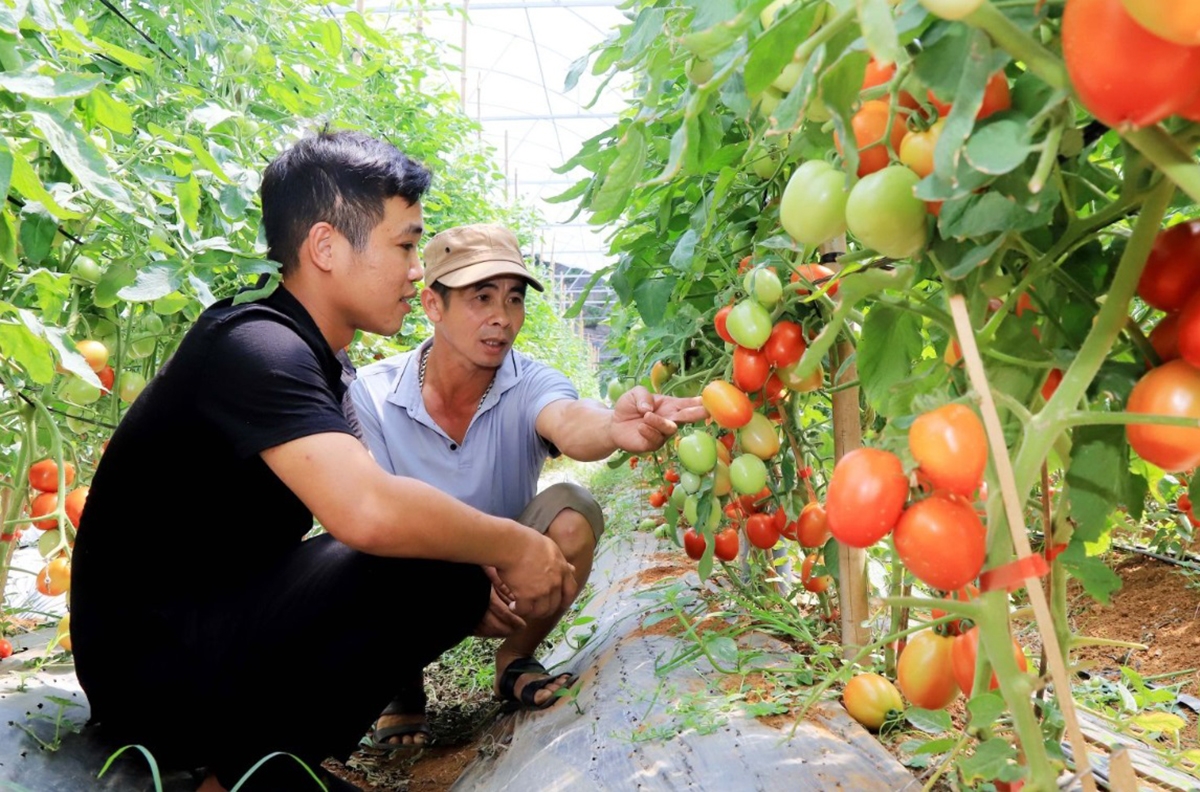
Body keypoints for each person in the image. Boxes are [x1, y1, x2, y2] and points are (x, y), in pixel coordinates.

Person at [69, 131, 579, 792]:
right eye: (405, 245)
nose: (417, 270)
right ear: (326, 247)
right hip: (152, 674)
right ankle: (236, 772)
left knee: (442, 564)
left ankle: (259, 763)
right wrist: (514, 545)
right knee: (435, 567)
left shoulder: (310, 353)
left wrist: (470, 557)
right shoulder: (258, 346)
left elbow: (374, 495)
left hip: (206, 628)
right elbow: (366, 510)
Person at [350, 223, 707, 748]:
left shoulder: (530, 380)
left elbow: (569, 419)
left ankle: (515, 657)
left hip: (509, 572)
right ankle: (401, 679)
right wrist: (463, 576)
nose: (502, 316)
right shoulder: (373, 392)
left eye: (514, 298)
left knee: (573, 510)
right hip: (417, 571)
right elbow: (375, 511)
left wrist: (613, 426)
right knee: (362, 541)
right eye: (481, 297)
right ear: (432, 304)